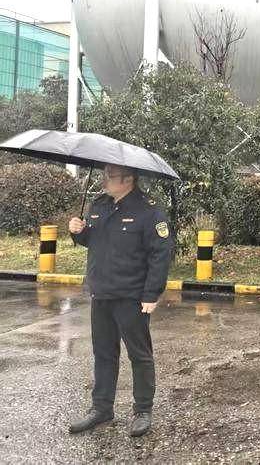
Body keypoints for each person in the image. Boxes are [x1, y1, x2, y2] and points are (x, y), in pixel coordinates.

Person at [67, 164, 174, 437]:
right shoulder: (99, 205)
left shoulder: (149, 211)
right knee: (103, 354)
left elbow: (160, 254)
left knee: (139, 354)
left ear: (128, 179)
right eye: (104, 175)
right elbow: (93, 240)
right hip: (101, 292)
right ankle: (101, 408)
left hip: (131, 296)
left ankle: (143, 410)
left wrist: (151, 294)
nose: (104, 180)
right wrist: (78, 231)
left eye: (110, 176)